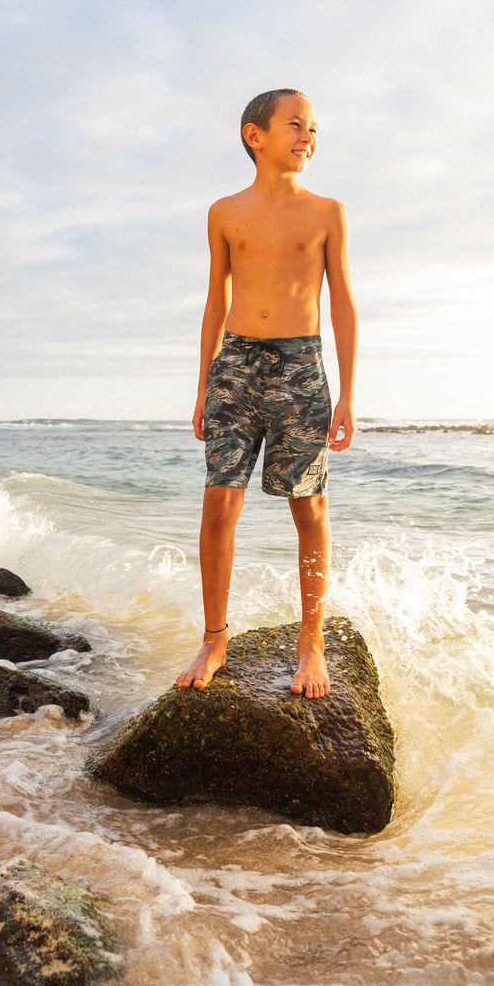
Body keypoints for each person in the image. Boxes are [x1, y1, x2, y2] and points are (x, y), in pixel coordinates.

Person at [176, 89, 357, 699]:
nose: (308, 136)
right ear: (255, 135)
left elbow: (343, 306)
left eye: (314, 129)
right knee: (219, 505)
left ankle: (313, 644)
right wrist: (204, 383)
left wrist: (348, 395)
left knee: (309, 508)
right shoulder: (224, 212)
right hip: (236, 366)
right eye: (295, 125)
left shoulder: (327, 211)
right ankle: (214, 638)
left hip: (301, 367)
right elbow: (215, 301)